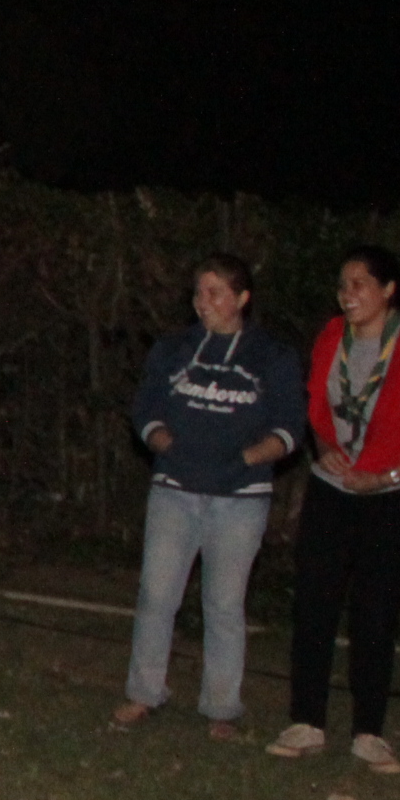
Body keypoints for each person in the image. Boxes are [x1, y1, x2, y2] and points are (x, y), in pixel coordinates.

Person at [268, 244, 400, 772]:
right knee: (314, 603)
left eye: (359, 284)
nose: (347, 294)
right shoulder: (333, 335)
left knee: (375, 613)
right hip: (333, 489)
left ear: (388, 290)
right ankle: (306, 721)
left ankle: (369, 732)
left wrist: (389, 475)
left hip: (396, 496)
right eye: (342, 284)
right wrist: (324, 448)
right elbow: (315, 403)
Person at [114, 252, 306, 738]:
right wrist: (168, 447)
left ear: (241, 298)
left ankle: (222, 707)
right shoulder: (174, 348)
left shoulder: (271, 355)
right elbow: (146, 411)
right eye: (199, 292)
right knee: (157, 595)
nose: (203, 302)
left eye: (215, 292)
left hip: (240, 497)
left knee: (223, 604)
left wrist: (244, 459)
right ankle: (144, 692)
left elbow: (289, 428)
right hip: (175, 491)